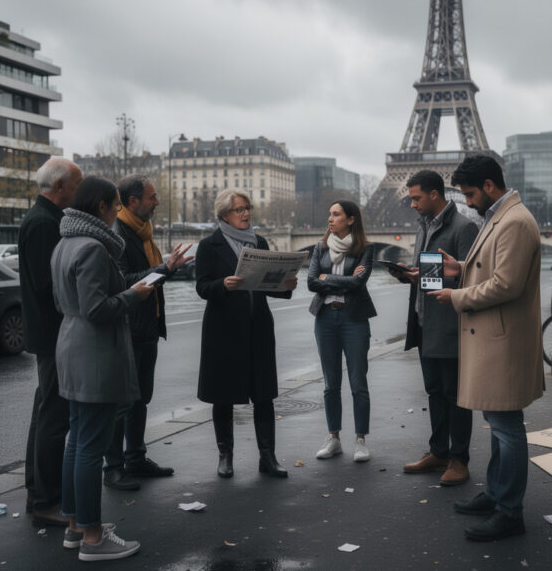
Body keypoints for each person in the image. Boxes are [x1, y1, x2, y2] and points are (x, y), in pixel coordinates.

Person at [427, 155, 544, 542]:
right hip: (497, 340)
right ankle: (497, 495)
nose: (469, 201)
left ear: (490, 186)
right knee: (498, 427)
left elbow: (506, 285)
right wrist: (459, 267)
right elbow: (493, 269)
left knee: (507, 429)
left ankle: (510, 512)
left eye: (471, 193)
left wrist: (457, 295)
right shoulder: (502, 217)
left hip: (502, 343)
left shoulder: (514, 221)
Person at [51, 176, 152, 561]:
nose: (116, 212)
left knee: (78, 441)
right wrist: (134, 294)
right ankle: (93, 537)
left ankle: (76, 526)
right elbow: (97, 309)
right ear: (101, 208)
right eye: (114, 206)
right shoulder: (93, 247)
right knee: (91, 446)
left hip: (72, 345)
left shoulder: (65, 243)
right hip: (95, 353)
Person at [101, 175, 194, 491]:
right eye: (151, 197)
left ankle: (136, 457)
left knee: (140, 399)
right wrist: (165, 269)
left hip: (146, 328)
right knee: (123, 402)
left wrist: (165, 269)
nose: (156, 202)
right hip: (129, 328)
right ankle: (112, 467)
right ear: (132, 202)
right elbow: (126, 280)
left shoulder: (142, 232)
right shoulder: (119, 235)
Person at [196, 189, 296, 479]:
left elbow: (266, 285)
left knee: (264, 394)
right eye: (239, 209)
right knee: (223, 395)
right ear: (225, 214)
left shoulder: (259, 242)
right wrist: (221, 285)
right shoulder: (209, 245)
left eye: (247, 208)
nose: (246, 214)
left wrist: (285, 286)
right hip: (223, 330)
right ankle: (225, 456)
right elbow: (202, 287)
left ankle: (268, 457)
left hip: (258, 327)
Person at [390, 170, 478, 486]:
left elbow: (470, 279)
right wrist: (410, 275)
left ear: (434, 195)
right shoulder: (424, 228)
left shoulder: (464, 228)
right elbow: (430, 276)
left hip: (450, 327)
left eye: (416, 198)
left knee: (456, 396)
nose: (412, 204)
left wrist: (428, 277)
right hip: (426, 324)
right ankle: (438, 451)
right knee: (435, 393)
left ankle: (459, 460)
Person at [20, 157, 82, 528]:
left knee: (45, 414)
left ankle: (36, 491)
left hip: (46, 332)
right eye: (77, 183)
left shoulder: (41, 218)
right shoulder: (45, 224)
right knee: (53, 419)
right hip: (54, 333)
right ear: (60, 186)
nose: (80, 190)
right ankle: (46, 499)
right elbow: (49, 284)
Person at [308, 200, 377, 462]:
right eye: (330, 213)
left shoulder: (364, 248)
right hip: (325, 319)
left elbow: (359, 283)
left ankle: (360, 440)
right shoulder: (320, 247)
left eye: (336, 214)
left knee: (359, 382)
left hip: (354, 319)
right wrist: (340, 281)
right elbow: (312, 282)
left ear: (351, 219)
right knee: (330, 384)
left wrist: (328, 279)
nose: (330, 218)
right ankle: (333, 438)